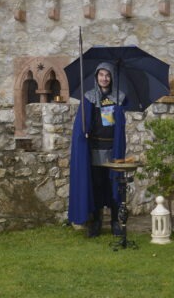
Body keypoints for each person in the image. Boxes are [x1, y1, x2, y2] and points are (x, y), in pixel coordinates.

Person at [68, 62, 128, 237]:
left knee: (114, 185)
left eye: (107, 75)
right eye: (101, 75)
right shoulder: (88, 97)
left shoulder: (119, 96)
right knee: (96, 184)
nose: (104, 78)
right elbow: (81, 124)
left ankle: (116, 222)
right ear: (96, 77)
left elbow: (121, 123)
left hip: (113, 148)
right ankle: (96, 222)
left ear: (112, 78)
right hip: (94, 148)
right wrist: (84, 131)